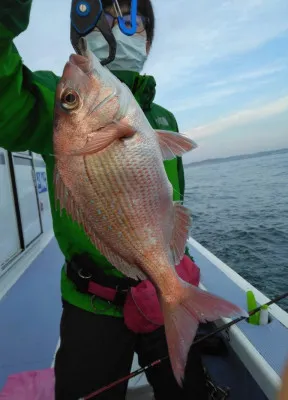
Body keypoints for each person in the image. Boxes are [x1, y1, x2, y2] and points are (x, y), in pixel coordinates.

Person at [0, 1, 209, 399]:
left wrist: (179, 263)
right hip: (92, 305)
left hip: (163, 283)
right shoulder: (52, 99)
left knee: (189, 390)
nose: (115, 23)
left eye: (129, 15)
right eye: (102, 12)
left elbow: (170, 206)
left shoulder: (162, 117)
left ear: (146, 34)